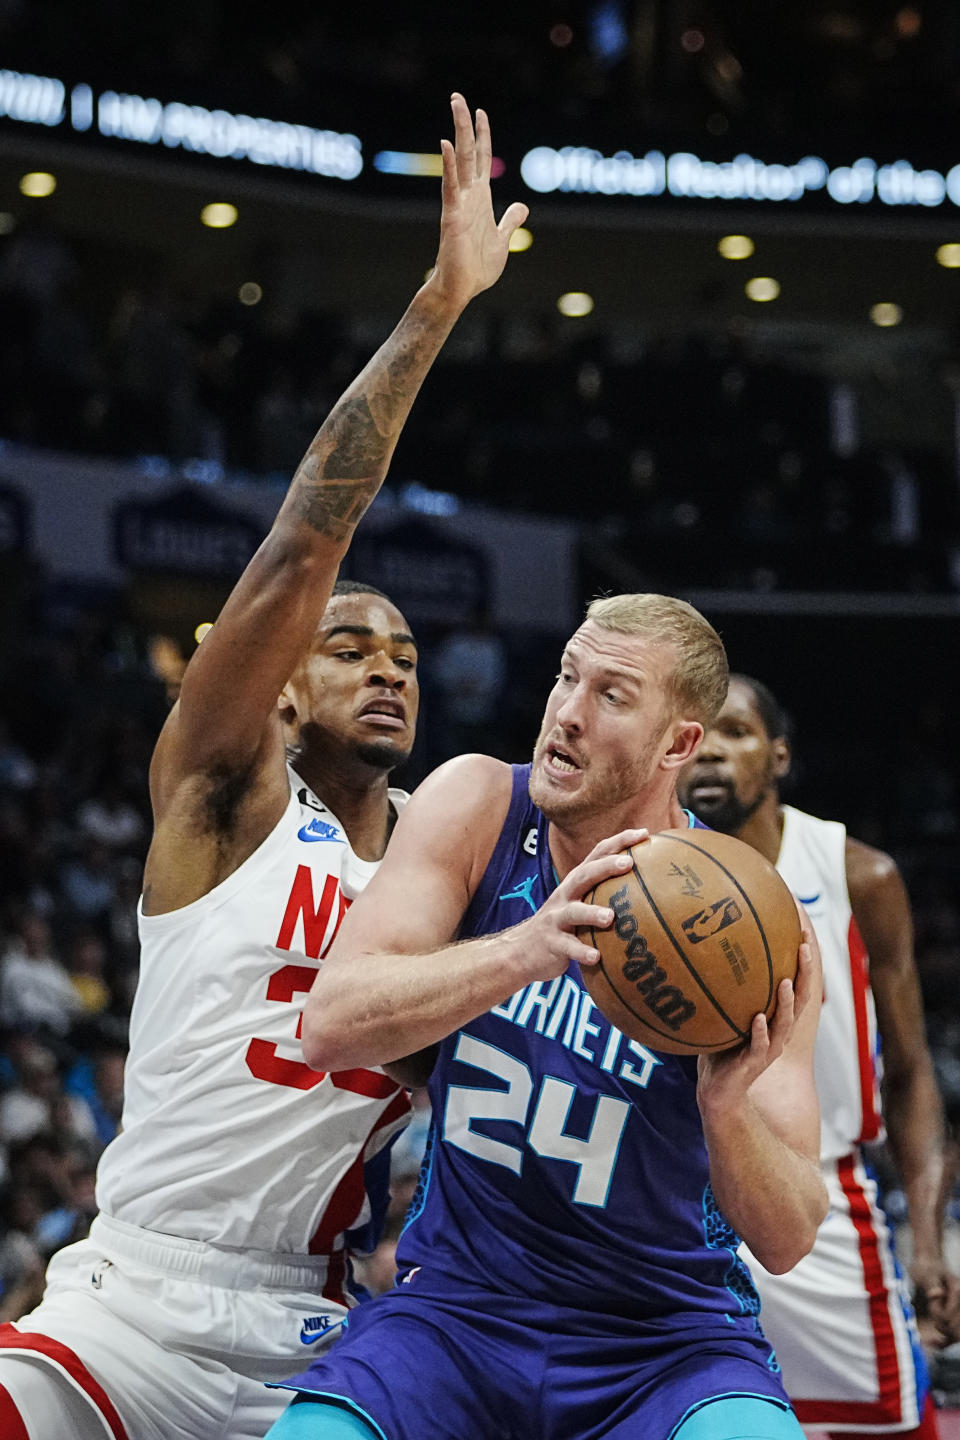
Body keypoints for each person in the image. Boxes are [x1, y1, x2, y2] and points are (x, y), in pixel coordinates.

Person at [0, 92, 529, 1440]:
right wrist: (440, 306)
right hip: (123, 1309)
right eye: (353, 645)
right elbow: (305, 542)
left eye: (407, 652)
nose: (390, 666)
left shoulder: (449, 865)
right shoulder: (225, 791)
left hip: (320, 1338)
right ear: (284, 681)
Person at [264, 590, 828, 1440]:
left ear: (679, 744)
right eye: (568, 676)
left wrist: (725, 1108)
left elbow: (788, 1237)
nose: (566, 714)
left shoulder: (752, 931)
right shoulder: (481, 806)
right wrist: (525, 948)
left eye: (612, 696)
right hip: (454, 1314)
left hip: (666, 1343)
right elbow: (328, 1025)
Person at [679, 673, 960, 1439]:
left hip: (819, 1198)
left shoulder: (856, 875)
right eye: (697, 735)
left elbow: (908, 1075)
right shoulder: (647, 871)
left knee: (898, 1428)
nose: (711, 754)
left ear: (778, 757)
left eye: (734, 732)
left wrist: (927, 1242)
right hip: (674, 1206)